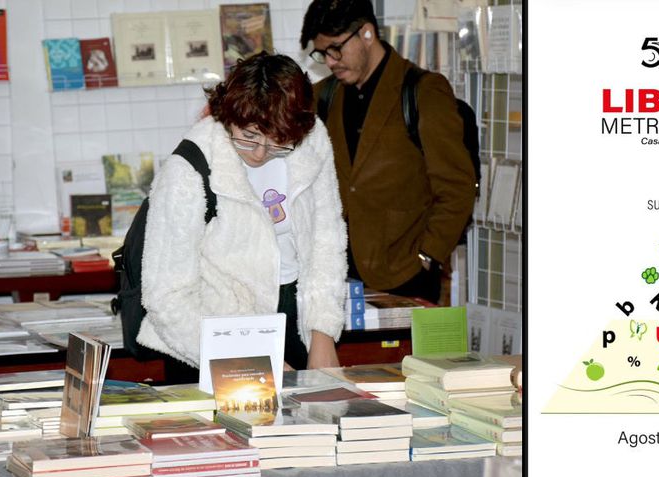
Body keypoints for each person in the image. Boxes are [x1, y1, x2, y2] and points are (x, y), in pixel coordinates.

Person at [137, 52, 347, 377]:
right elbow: (166, 297)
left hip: (295, 320)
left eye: (278, 142)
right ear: (228, 115)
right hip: (213, 337)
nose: (260, 153)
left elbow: (327, 240)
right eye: (248, 136)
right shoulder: (190, 167)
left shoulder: (310, 139)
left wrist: (323, 332)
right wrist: (250, 358)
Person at [300, 0, 475, 304]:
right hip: (337, 276)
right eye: (322, 53)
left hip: (406, 275)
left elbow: (457, 187)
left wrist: (427, 255)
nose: (329, 61)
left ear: (367, 33)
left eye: (336, 49)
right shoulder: (323, 96)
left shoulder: (423, 91)